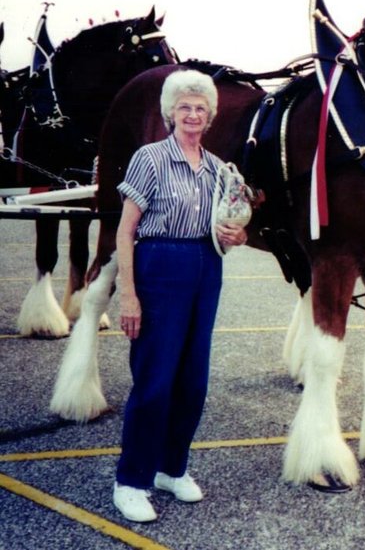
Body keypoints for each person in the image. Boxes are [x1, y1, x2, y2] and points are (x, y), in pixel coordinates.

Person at [112, 69, 248, 522]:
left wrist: (237, 234)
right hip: (159, 266)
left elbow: (226, 229)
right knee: (154, 381)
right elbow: (126, 231)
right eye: (185, 106)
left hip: (206, 267)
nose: (193, 114)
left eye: (201, 108)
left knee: (193, 381)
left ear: (210, 117)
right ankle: (131, 480)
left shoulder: (217, 168)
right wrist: (128, 295)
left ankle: (171, 468)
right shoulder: (149, 160)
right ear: (170, 112)